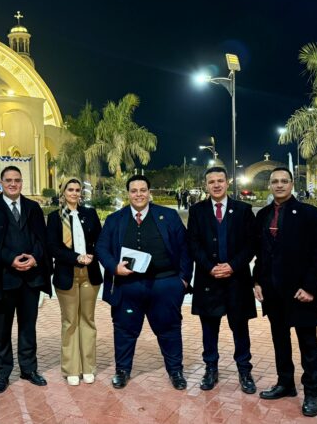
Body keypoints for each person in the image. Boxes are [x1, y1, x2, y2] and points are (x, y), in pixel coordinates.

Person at [96, 175, 193, 390]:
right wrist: (114, 267)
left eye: (142, 190)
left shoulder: (168, 216)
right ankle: (122, 370)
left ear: (149, 192)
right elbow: (101, 248)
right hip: (128, 285)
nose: (138, 194)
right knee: (124, 330)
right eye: (134, 191)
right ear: (128, 193)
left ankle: (175, 371)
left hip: (165, 284)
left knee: (169, 330)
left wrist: (183, 280)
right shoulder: (115, 219)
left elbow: (185, 248)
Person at [253, 167, 317, 417]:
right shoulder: (263, 215)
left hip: (300, 292)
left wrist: (310, 287)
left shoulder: (310, 214)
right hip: (272, 292)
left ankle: (311, 392)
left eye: (284, 181)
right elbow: (261, 254)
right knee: (280, 340)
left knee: (307, 343)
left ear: (292, 184)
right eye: (275, 181)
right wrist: (257, 281)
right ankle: (285, 383)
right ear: (269, 185)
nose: (279, 185)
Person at [0, 165, 51, 394]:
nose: (13, 184)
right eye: (8, 180)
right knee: (1, 329)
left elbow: (42, 239)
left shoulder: (33, 207)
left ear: (21, 182)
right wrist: (10, 259)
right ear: (1, 183)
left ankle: (29, 369)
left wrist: (35, 258)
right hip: (3, 278)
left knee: (28, 327)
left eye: (17, 180)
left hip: (30, 278)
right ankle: (2, 374)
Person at [187, 167, 257, 394]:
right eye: (211, 182)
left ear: (228, 183)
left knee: (240, 328)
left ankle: (244, 371)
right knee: (209, 329)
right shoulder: (197, 211)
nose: (216, 185)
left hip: (237, 280)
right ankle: (211, 369)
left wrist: (233, 266)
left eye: (220, 181)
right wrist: (210, 267)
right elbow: (193, 244)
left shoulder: (244, 210)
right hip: (209, 280)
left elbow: (251, 244)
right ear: (206, 185)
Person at [46, 177, 103, 386]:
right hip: (66, 274)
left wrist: (92, 256)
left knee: (87, 320)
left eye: (78, 190)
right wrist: (76, 258)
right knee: (70, 322)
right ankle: (71, 369)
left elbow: (100, 240)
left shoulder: (90, 214)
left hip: (90, 273)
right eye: (70, 189)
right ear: (63, 192)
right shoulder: (55, 218)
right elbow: (52, 247)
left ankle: (88, 367)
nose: (74, 193)